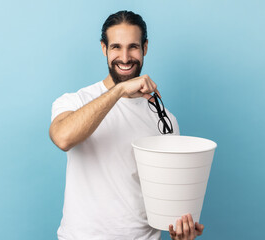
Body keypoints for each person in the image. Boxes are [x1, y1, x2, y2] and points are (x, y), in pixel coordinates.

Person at [49, 10, 205, 240]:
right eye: (116, 47)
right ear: (104, 48)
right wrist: (120, 89)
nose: (124, 57)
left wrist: (180, 233)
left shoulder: (166, 121)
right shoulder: (75, 101)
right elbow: (63, 138)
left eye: (133, 46)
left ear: (145, 48)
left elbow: (169, 195)